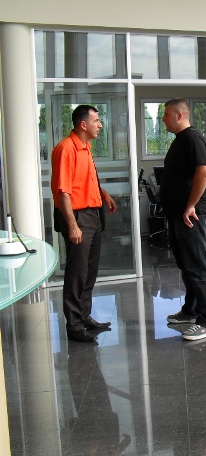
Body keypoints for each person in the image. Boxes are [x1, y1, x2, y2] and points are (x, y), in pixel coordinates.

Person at [51, 105, 117, 343]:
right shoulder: (66, 149)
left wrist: (103, 194)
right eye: (96, 120)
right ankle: (74, 325)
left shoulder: (85, 147)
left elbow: (85, 181)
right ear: (83, 124)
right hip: (77, 216)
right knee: (77, 272)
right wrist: (72, 225)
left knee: (89, 270)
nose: (100, 125)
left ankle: (84, 315)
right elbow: (63, 191)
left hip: (93, 214)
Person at [160, 98, 206, 341]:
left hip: (190, 214)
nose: (163, 119)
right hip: (178, 213)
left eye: (166, 114)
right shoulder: (180, 140)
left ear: (179, 115)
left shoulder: (193, 138)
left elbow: (204, 171)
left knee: (197, 267)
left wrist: (191, 205)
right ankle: (191, 311)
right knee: (186, 266)